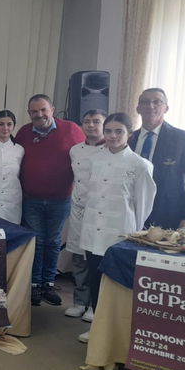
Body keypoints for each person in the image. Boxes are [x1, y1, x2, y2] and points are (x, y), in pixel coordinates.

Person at [77, 112, 156, 343]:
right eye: (109, 131)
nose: (112, 136)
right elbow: (86, 194)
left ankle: (118, 332)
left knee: (117, 283)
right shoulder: (94, 159)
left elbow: (143, 205)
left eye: (118, 131)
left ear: (129, 134)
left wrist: (133, 234)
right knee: (95, 278)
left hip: (120, 232)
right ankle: (97, 329)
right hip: (93, 229)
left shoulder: (140, 165)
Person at [15, 94, 84, 306]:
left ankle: (48, 283)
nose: (39, 115)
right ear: (29, 114)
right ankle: (35, 285)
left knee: (53, 242)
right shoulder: (24, 133)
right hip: (31, 199)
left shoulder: (72, 129)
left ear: (52, 109)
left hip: (60, 199)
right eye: (34, 111)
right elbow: (10, 153)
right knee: (37, 242)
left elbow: (89, 150)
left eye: (43, 110)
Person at [130, 88, 185, 230]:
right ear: (138, 108)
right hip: (131, 215)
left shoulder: (182, 139)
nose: (150, 106)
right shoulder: (128, 139)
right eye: (145, 102)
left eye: (157, 102)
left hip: (169, 218)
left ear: (166, 108)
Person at [63, 109, 106, 322]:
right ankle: (80, 301)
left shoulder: (110, 151)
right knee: (79, 259)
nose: (91, 125)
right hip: (79, 210)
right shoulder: (75, 150)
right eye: (87, 121)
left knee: (96, 259)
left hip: (99, 213)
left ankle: (94, 305)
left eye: (96, 121)